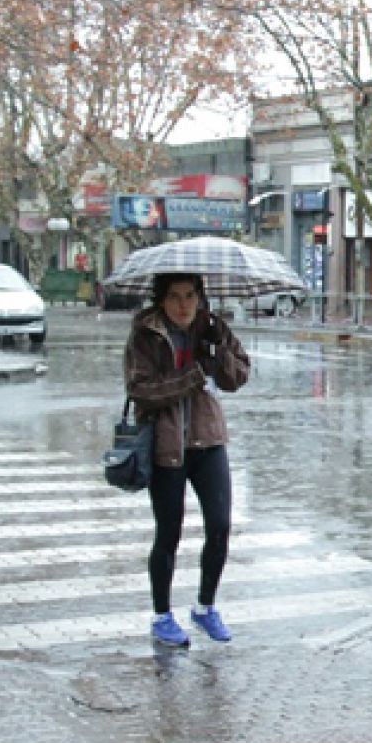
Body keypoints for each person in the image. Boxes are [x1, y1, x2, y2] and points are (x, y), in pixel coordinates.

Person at [125, 272, 252, 648]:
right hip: (167, 447)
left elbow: (237, 378)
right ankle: (162, 616)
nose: (184, 305)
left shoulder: (213, 328)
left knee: (220, 526)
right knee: (169, 533)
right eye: (176, 297)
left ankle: (205, 606)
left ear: (200, 298)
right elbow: (140, 391)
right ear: (161, 300)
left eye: (191, 297)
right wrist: (192, 375)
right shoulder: (145, 335)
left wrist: (220, 353)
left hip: (208, 440)